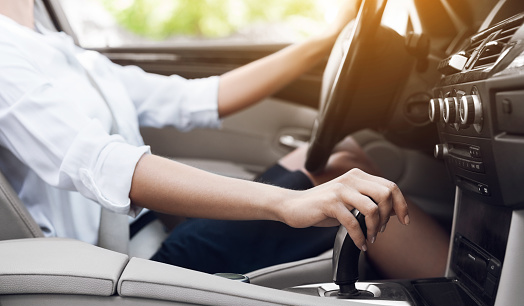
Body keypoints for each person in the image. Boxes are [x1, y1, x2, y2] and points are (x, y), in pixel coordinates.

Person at [0, 0, 448, 278]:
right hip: (119, 270)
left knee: (341, 158)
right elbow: (103, 164)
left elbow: (195, 98)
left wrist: (325, 41)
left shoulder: (55, 46)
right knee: (351, 189)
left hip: (146, 241)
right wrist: (285, 204)